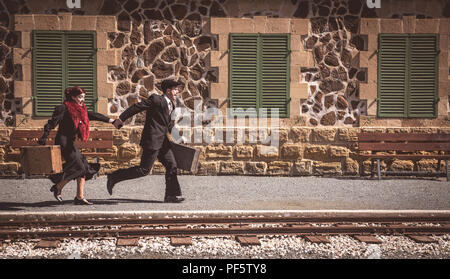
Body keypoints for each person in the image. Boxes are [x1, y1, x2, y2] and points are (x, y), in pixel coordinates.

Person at [107, 79, 185, 203]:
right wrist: (121, 119)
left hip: (163, 142)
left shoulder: (172, 105)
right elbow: (136, 107)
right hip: (152, 140)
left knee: (172, 165)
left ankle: (171, 195)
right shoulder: (156, 99)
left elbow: (168, 125)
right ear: (168, 90)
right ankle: (114, 176)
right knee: (144, 170)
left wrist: (179, 138)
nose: (177, 92)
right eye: (175, 89)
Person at [38, 86, 118, 205]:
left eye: (83, 97)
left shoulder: (80, 110)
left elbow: (94, 115)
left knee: (84, 167)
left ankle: (79, 197)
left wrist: (112, 121)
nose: (82, 100)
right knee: (79, 167)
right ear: (73, 97)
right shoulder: (64, 108)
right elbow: (52, 123)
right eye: (80, 97)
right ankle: (58, 187)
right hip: (63, 142)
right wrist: (44, 136)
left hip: (70, 143)